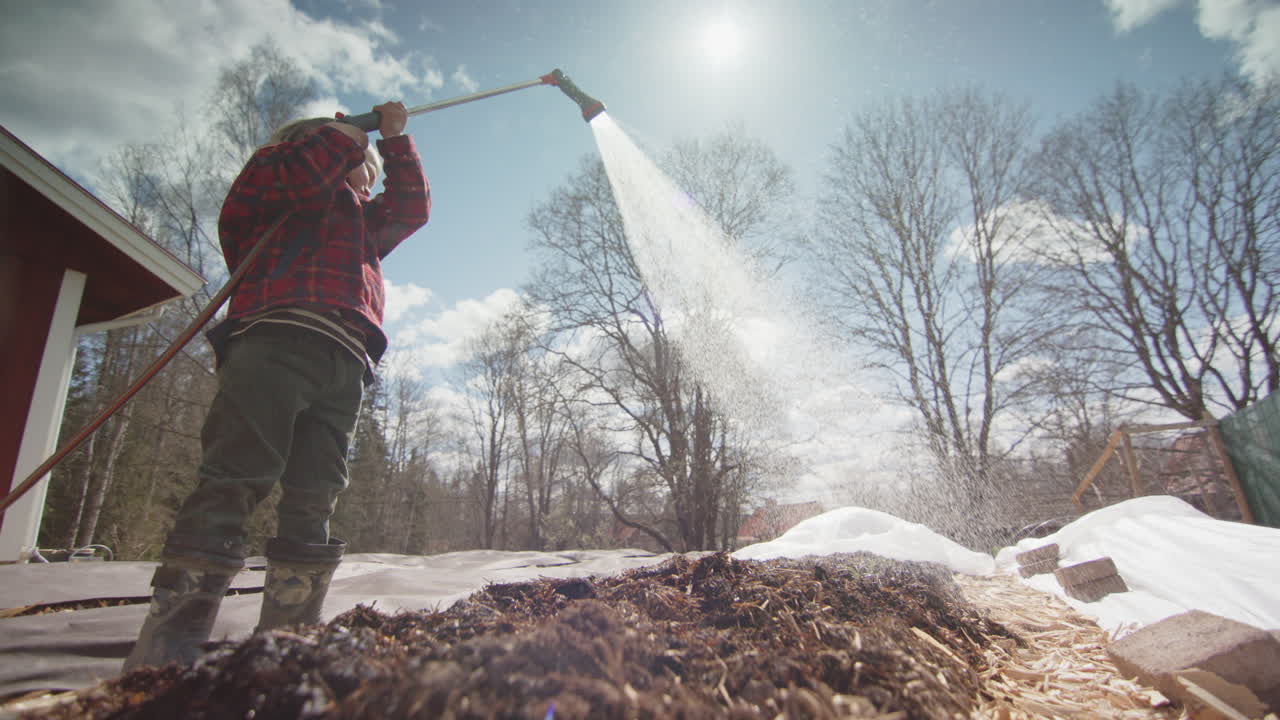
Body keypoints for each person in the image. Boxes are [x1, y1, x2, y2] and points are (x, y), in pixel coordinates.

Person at [124, 101, 430, 669]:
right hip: (273, 342)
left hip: (346, 359)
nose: (366, 169)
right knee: (234, 478)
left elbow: (412, 209)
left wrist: (392, 142)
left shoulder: (361, 222)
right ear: (316, 144)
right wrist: (342, 135)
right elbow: (298, 175)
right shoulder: (275, 179)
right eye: (357, 158)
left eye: (367, 163)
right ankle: (166, 652)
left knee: (317, 496)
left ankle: (288, 646)